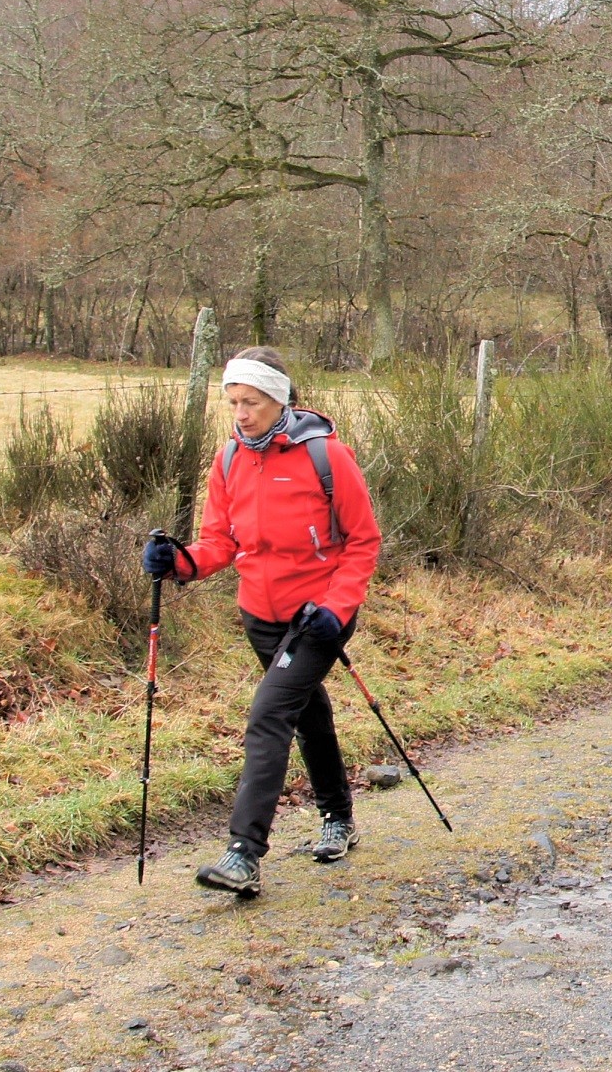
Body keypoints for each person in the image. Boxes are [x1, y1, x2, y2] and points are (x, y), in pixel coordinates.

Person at [142, 347, 382, 897]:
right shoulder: (228, 460)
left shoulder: (327, 456)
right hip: (260, 614)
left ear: (279, 400)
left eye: (251, 402)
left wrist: (338, 609)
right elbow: (219, 542)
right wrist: (178, 563)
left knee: (269, 713)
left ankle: (244, 853)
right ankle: (338, 817)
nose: (241, 413)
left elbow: (364, 540)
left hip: (318, 615)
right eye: (233, 402)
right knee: (305, 711)